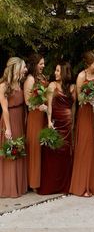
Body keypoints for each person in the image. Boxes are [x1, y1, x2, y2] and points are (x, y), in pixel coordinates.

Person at [70, 51, 94, 197]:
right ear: (88, 64)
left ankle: (92, 183)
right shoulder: (81, 76)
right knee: (85, 146)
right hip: (85, 113)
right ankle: (82, 185)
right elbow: (79, 99)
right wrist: (88, 97)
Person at [38, 62, 76, 195]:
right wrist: (49, 121)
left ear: (65, 72)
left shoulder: (73, 87)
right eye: (56, 70)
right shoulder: (52, 85)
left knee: (65, 152)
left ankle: (64, 186)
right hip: (55, 122)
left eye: (58, 71)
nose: (55, 73)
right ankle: (51, 185)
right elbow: (49, 105)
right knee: (53, 151)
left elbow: (73, 106)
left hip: (67, 122)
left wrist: (73, 123)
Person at [0, 57, 28, 197]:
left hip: (19, 119)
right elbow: (5, 109)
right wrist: (8, 129)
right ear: (16, 68)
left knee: (19, 150)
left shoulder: (18, 84)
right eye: (23, 67)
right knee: (11, 151)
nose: (26, 69)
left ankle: (19, 185)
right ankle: (10, 188)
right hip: (9, 119)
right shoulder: (4, 86)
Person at [24, 54, 48, 191]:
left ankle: (40, 180)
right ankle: (32, 183)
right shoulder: (30, 79)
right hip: (34, 116)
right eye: (41, 64)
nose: (43, 66)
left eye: (43, 64)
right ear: (34, 64)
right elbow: (28, 102)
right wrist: (39, 107)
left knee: (41, 147)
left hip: (43, 116)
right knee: (34, 148)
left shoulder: (42, 78)